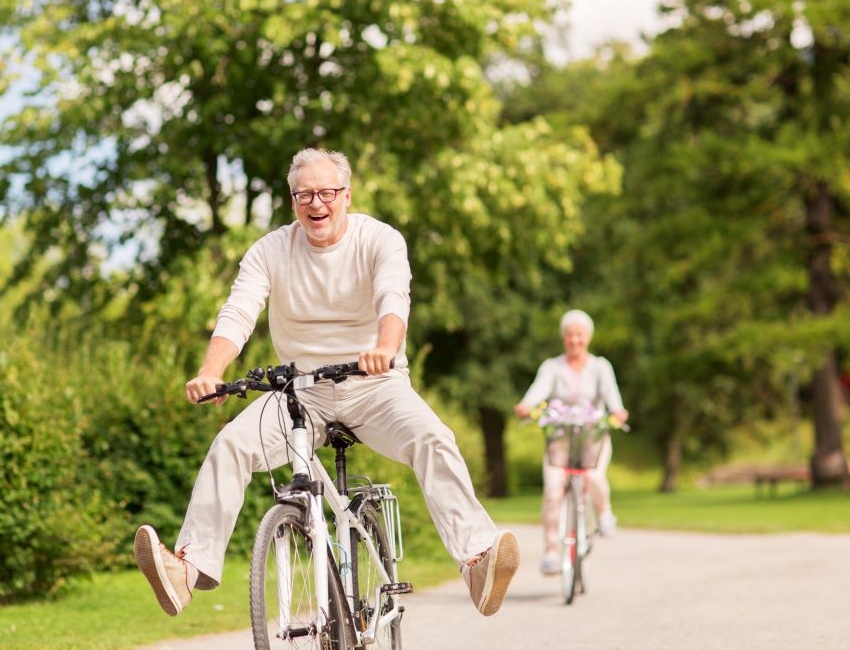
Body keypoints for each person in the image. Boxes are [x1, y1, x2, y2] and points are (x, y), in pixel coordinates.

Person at [133, 147, 519, 618]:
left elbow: (393, 298)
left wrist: (384, 347)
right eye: (304, 195)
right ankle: (186, 571)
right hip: (300, 391)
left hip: (375, 384)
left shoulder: (380, 240)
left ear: (346, 196)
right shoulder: (271, 249)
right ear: (292, 201)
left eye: (326, 193)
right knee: (230, 444)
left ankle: (477, 561)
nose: (317, 204)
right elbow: (239, 312)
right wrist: (210, 372)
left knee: (433, 438)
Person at [513, 309, 628, 576]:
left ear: (587, 337)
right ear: (564, 338)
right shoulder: (552, 367)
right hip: (560, 438)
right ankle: (552, 551)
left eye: (579, 335)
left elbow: (613, 398)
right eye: (569, 336)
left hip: (592, 437)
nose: (574, 341)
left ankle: (604, 514)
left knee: (594, 477)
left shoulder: (601, 367)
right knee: (553, 489)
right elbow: (537, 391)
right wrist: (526, 406)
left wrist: (618, 412)